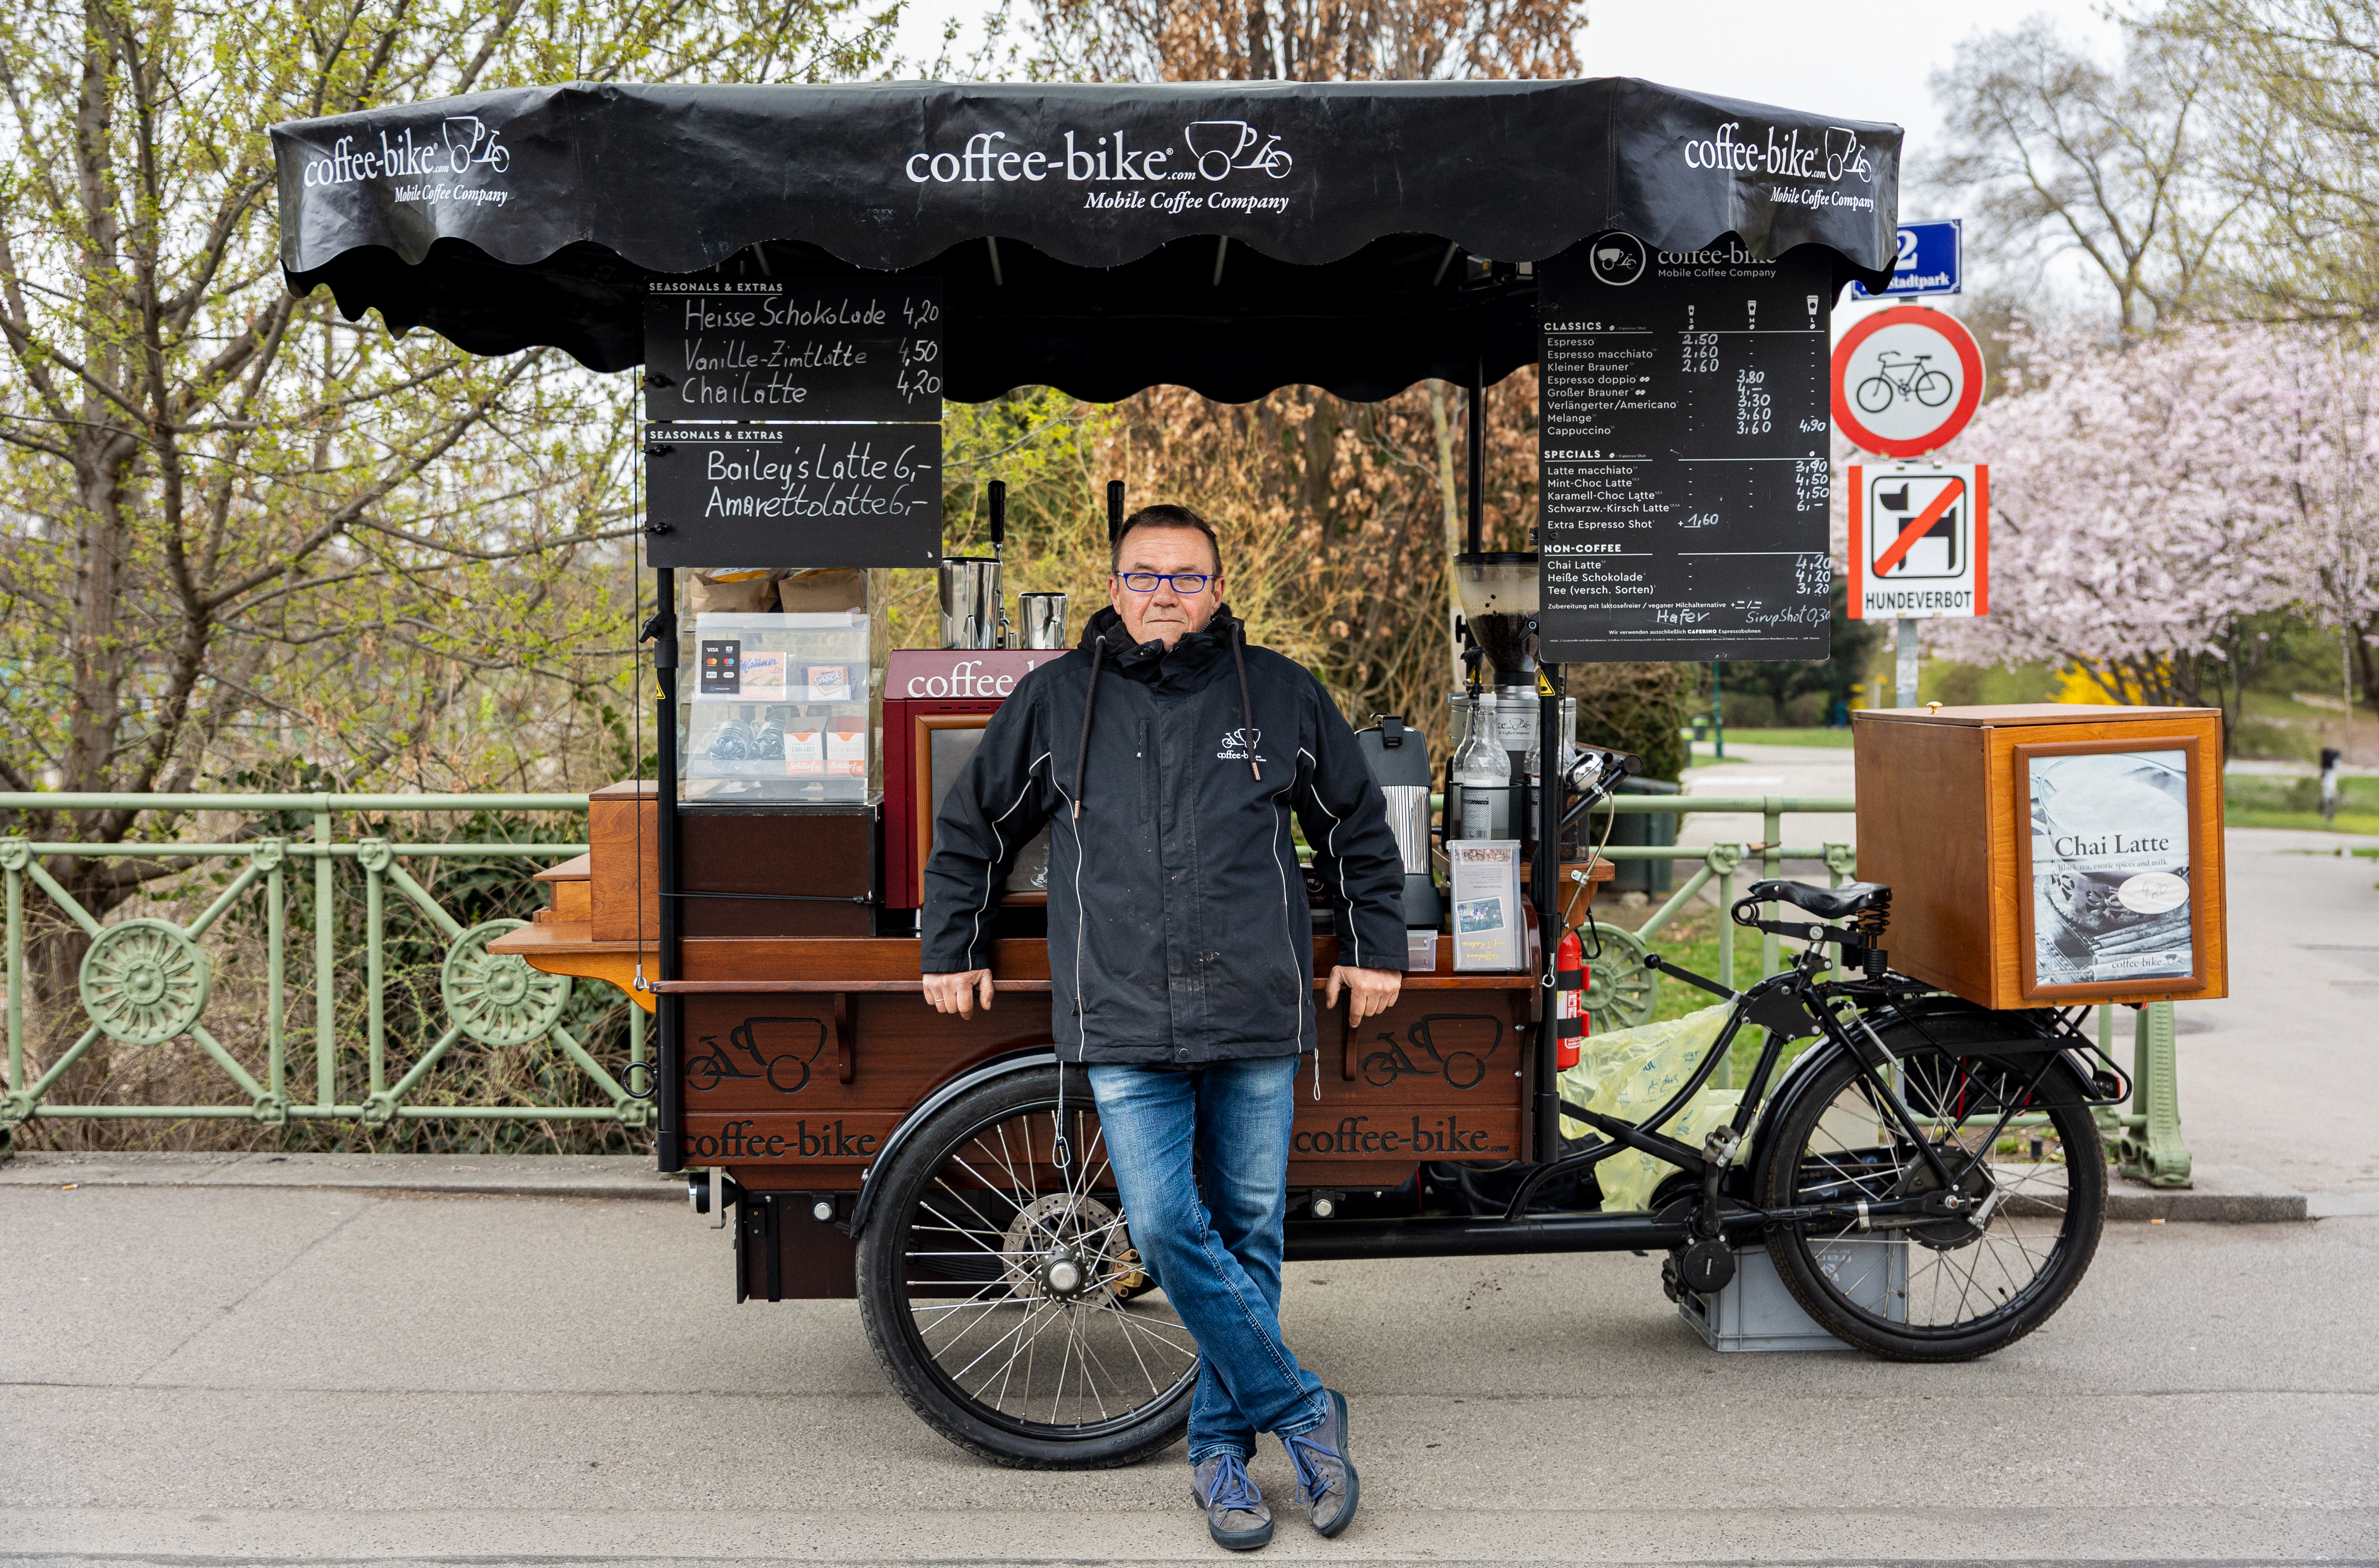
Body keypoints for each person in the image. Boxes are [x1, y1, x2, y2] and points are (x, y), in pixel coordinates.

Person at [920, 504, 1407, 1552]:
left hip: (1255, 1008)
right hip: (1123, 1010)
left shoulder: (1278, 692)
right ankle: (1303, 1409)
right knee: (1160, 1229)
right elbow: (973, 828)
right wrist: (948, 947)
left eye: (1186, 577)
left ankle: (1220, 1460)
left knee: (1250, 1235)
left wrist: (1374, 945)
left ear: (1219, 590)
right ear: (1114, 585)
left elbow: (1357, 828)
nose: (1164, 595)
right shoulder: (1055, 700)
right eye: (1144, 576)